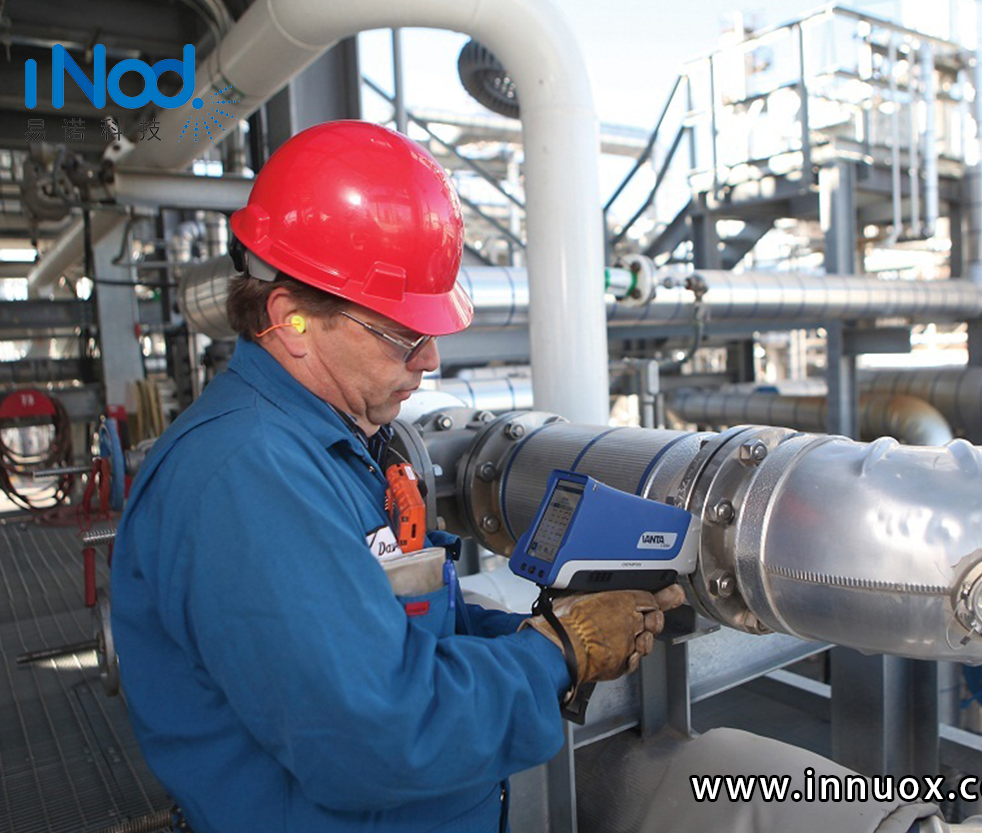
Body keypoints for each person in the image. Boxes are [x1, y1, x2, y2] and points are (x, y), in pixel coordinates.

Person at [111, 120, 684, 833]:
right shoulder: (248, 480)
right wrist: (555, 654)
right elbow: (379, 737)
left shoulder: (334, 445)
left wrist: (530, 631)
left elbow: (398, 632)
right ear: (290, 320)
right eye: (402, 333)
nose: (430, 358)